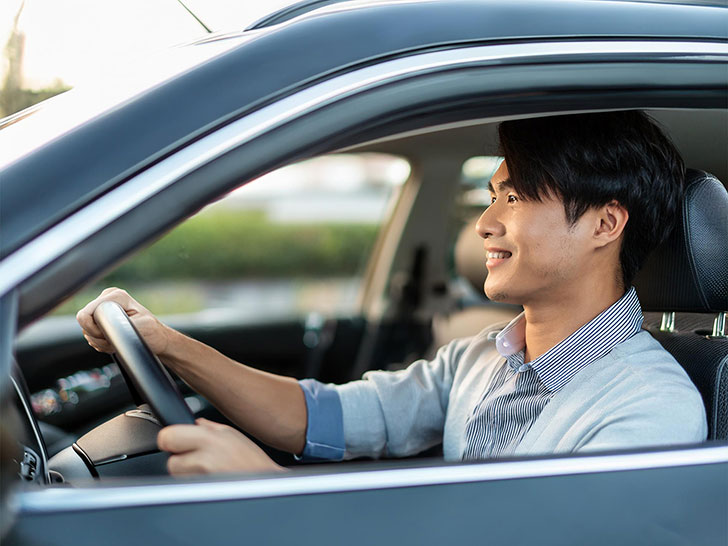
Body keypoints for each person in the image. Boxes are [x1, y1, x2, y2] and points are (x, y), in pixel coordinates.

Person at [76, 111, 707, 475]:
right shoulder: (481, 359)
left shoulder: (650, 409)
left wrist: (266, 495)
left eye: (514, 197)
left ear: (605, 223)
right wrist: (167, 345)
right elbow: (326, 417)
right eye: (489, 197)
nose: (485, 223)